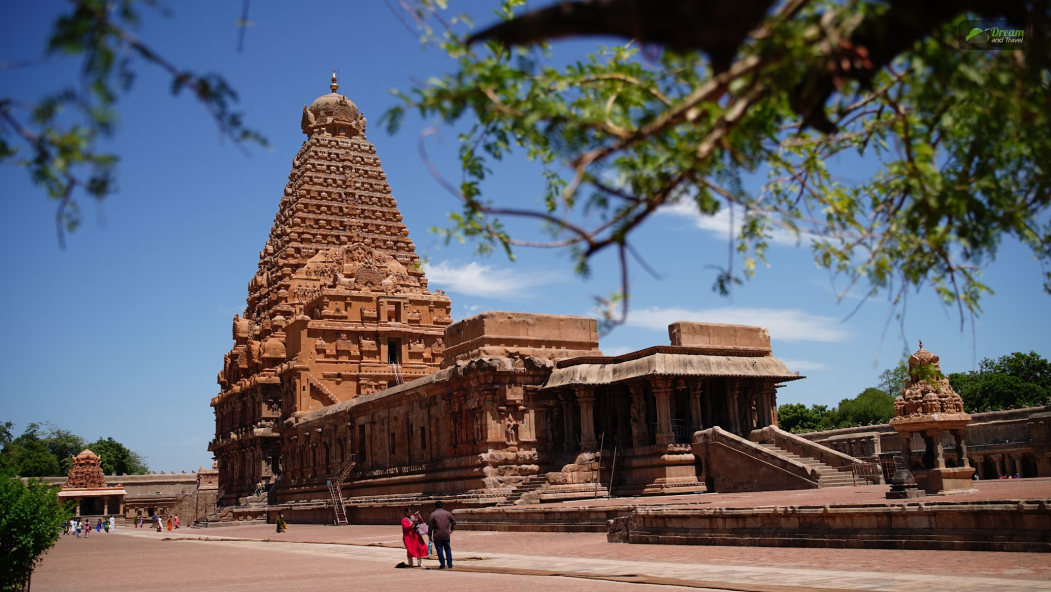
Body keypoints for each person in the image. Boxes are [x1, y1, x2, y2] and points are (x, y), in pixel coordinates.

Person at [428, 501, 456, 570]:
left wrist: (429, 535)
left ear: (435, 506)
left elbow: (430, 526)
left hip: (437, 535)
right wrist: (451, 529)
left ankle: (442, 565)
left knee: (439, 550)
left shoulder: (433, 515)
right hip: (446, 534)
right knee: (448, 549)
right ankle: (450, 564)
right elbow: (454, 521)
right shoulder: (447, 513)